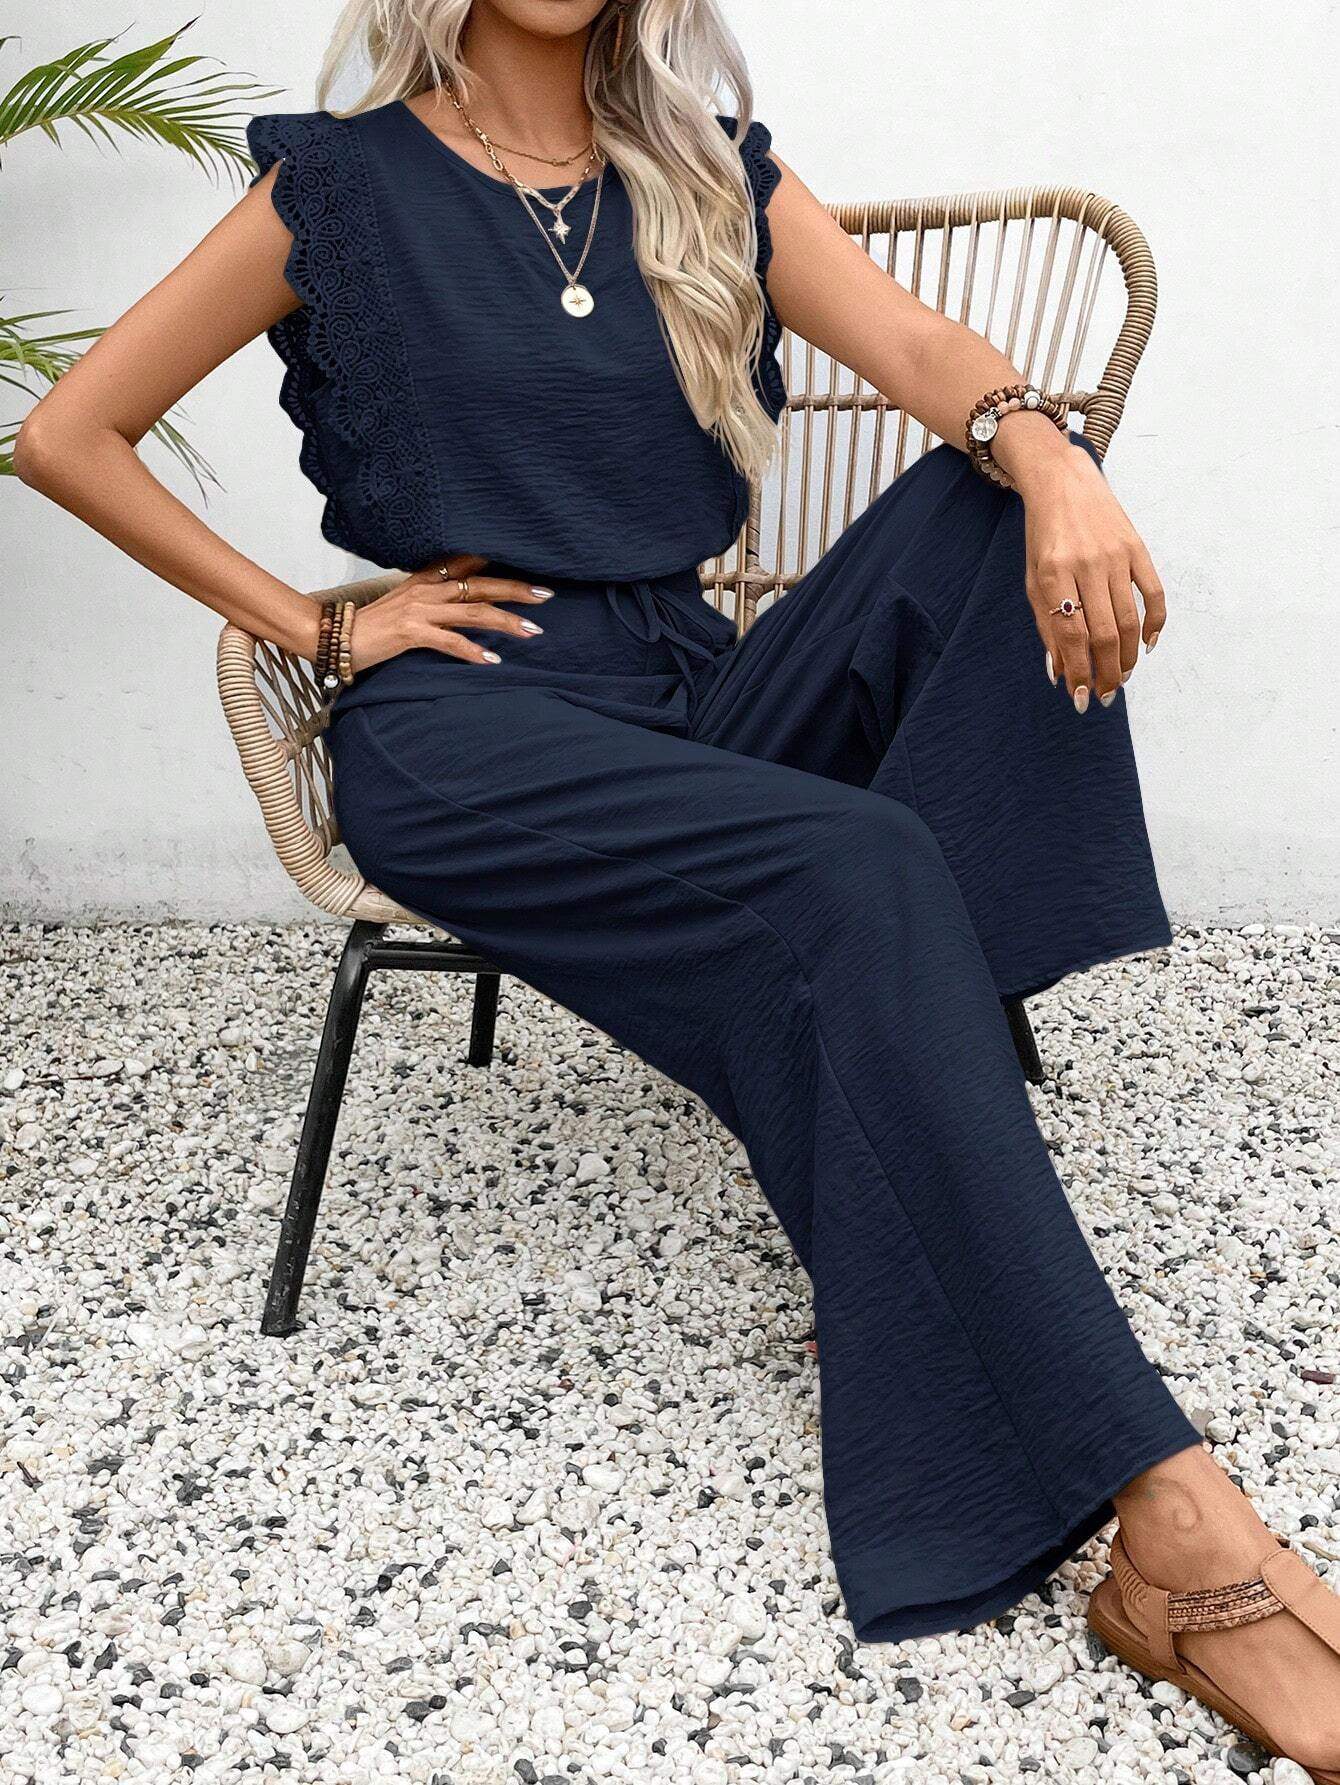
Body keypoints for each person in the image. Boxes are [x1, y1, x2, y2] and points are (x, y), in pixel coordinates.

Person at [14, 0, 1338, 1770]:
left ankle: (906, 1166)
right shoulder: (340, 186)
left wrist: (1044, 453)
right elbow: (68, 434)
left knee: (986, 505)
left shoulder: (706, 172)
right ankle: (1175, 1522)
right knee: (867, 857)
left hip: (690, 695)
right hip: (469, 726)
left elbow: (915, 342)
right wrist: (320, 628)